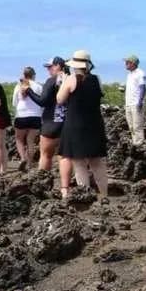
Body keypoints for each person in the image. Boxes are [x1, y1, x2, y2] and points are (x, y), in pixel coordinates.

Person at [57, 49, 109, 200]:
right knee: (97, 163)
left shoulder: (71, 79)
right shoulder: (97, 79)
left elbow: (60, 99)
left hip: (75, 125)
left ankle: (85, 196)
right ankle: (104, 196)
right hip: (95, 124)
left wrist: (63, 82)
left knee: (79, 163)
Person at [26, 56, 68, 174]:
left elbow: (42, 101)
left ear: (58, 66)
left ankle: (42, 183)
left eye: (50, 67)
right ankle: (65, 186)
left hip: (51, 123)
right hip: (67, 123)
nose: (48, 70)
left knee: (45, 155)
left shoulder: (51, 81)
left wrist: (28, 91)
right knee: (64, 157)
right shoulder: (71, 80)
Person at [13, 66, 43, 171]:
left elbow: (14, 103)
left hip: (21, 115)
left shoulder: (18, 86)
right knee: (31, 141)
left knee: (19, 139)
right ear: (33, 75)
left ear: (24, 75)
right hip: (35, 116)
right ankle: (30, 164)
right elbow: (42, 102)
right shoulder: (39, 86)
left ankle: (22, 158)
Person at [124, 54, 146, 145]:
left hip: (136, 104)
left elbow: (143, 88)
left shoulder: (140, 73)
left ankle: (139, 144)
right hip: (128, 104)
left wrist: (140, 101)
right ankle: (135, 142)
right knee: (131, 126)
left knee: (137, 126)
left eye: (127, 62)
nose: (126, 64)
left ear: (133, 63)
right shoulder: (129, 75)